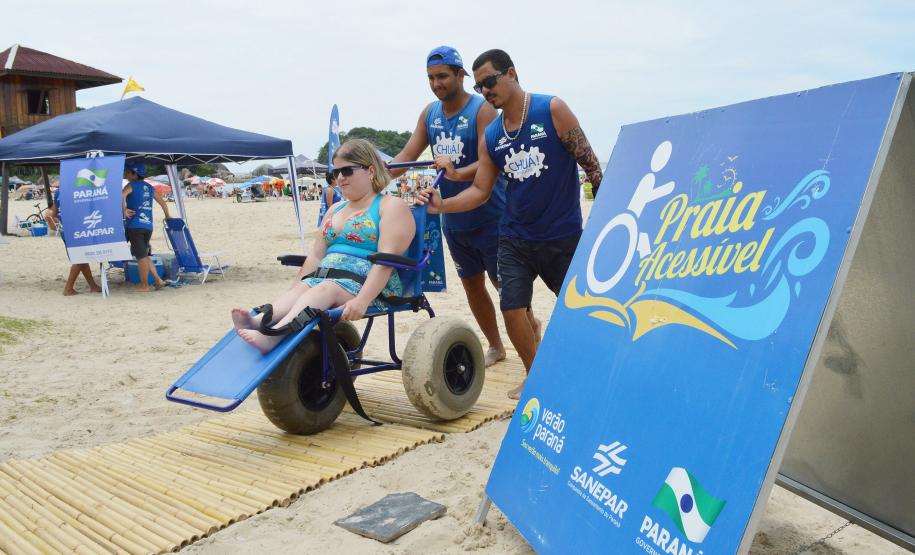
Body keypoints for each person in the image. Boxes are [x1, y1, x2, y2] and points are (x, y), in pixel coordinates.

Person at [417, 48, 604, 399]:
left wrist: (603, 212)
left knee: (578, 307)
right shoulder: (492, 136)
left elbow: (591, 164)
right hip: (515, 235)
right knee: (512, 306)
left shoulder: (551, 109)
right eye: (481, 86)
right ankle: (537, 378)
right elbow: (479, 191)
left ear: (512, 74)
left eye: (490, 81)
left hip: (561, 234)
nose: (486, 90)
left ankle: (591, 366)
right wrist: (441, 206)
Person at [389, 45, 516, 368]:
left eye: (443, 76)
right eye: (431, 78)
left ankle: (533, 340)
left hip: (490, 216)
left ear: (461, 75)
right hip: (451, 218)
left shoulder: (482, 110)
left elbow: (491, 162)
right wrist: (376, 172)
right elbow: (407, 155)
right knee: (473, 287)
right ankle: (496, 345)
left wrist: (457, 171)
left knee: (507, 290)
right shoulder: (429, 114)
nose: (436, 84)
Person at [232, 139, 415, 354]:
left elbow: (386, 259)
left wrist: (363, 300)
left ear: (371, 171)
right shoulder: (335, 209)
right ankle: (261, 321)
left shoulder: (391, 206)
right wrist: (295, 291)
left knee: (322, 289)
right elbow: (316, 256)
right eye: (335, 173)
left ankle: (271, 338)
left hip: (370, 286)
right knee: (303, 288)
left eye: (347, 171)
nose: (340, 178)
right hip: (326, 277)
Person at [122, 162, 170, 291]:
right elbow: (162, 202)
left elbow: (121, 196)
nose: (126, 175)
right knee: (144, 254)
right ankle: (158, 280)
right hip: (148, 226)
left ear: (134, 173)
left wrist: (124, 210)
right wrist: (167, 216)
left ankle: (144, 285)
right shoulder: (149, 187)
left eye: (127, 172)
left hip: (135, 226)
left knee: (141, 257)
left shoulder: (130, 186)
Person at [47, 188, 102, 296]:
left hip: (66, 230)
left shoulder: (59, 191)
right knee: (80, 257)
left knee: (82, 257)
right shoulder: (77, 190)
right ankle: (68, 288)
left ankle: (93, 286)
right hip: (76, 228)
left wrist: (53, 220)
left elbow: (53, 211)